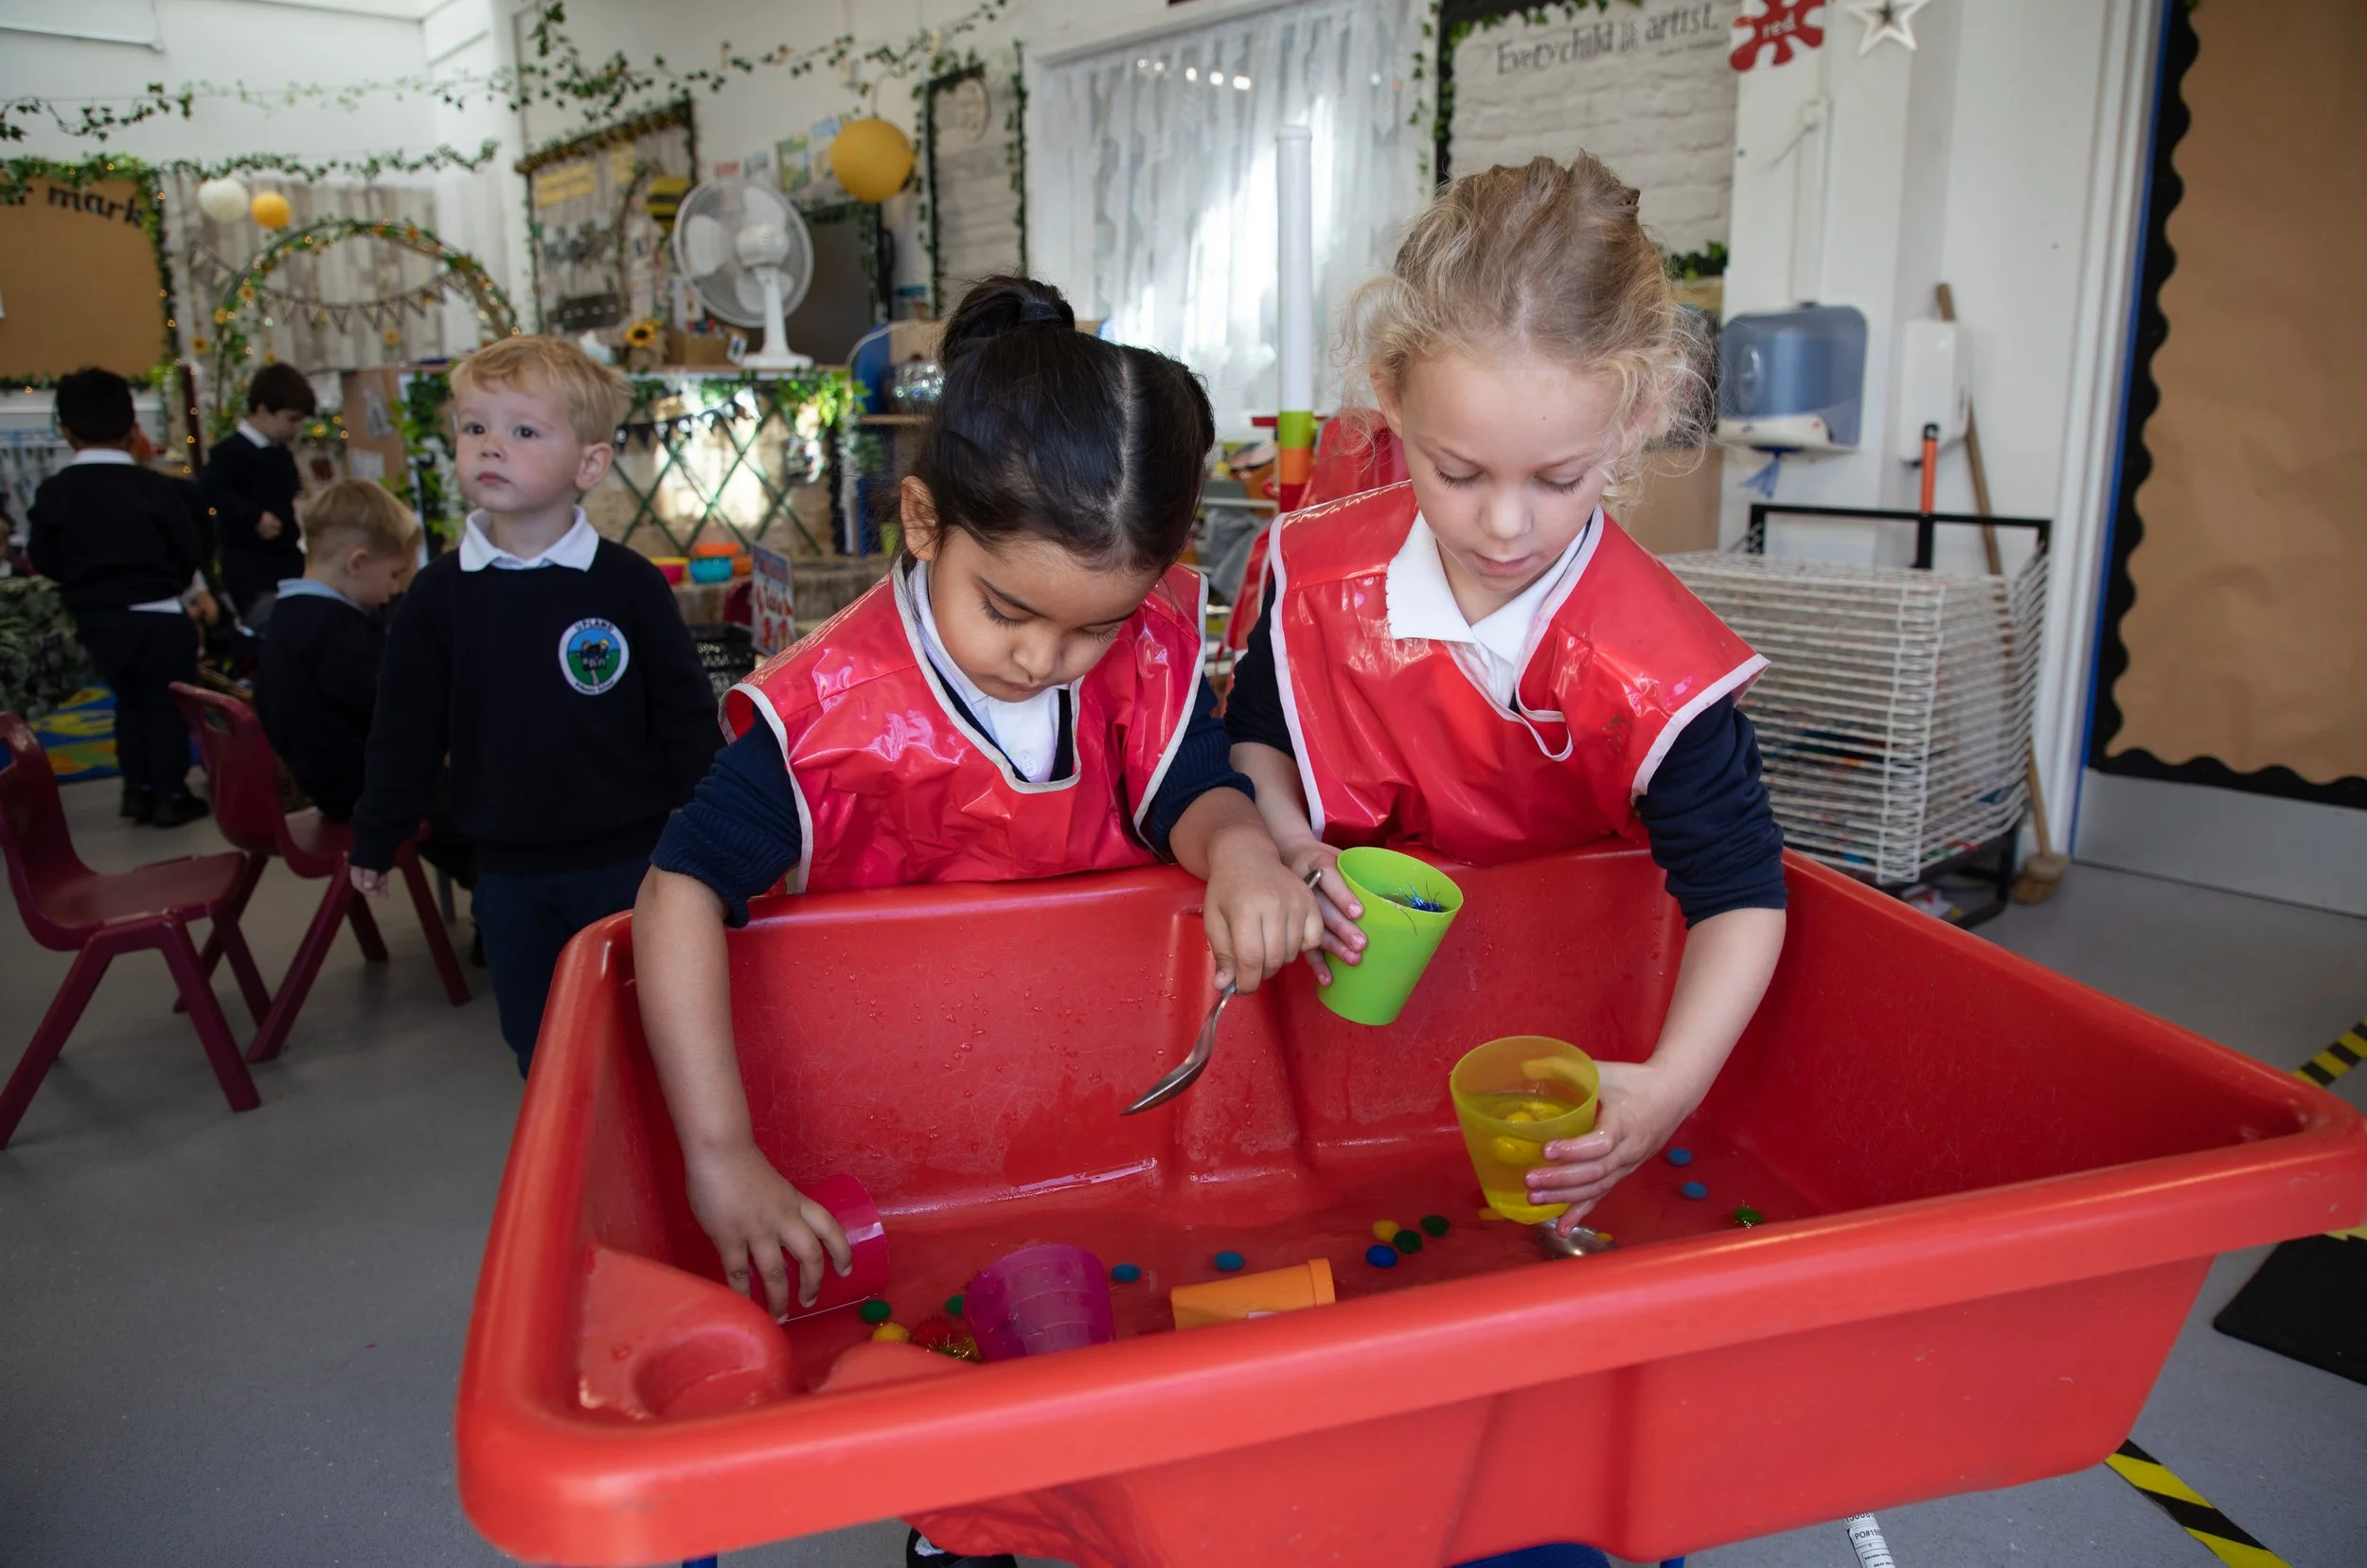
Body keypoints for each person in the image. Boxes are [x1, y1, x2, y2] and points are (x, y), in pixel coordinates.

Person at [634, 276, 1325, 1322]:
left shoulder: (1140, 646)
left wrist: (1238, 846)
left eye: (1096, 625)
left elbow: (1188, 784)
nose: (1047, 658)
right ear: (922, 521)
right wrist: (722, 1153)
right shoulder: (828, 713)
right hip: (892, 1125)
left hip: (1088, 1093)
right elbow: (679, 887)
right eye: (1006, 608)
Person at [1225, 154, 1789, 1234]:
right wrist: (1291, 844)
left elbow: (1741, 890)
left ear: (1639, 418)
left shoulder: (1657, 669)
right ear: (1391, 399)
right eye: (1459, 471)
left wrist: (1670, 1083)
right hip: (1355, 1036)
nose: (1503, 528)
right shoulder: (1314, 577)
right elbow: (1257, 739)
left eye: (1557, 480)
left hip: (1572, 1017)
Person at [347, 336, 721, 1077]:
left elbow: (683, 713)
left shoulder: (627, 584)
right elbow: (405, 725)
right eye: (474, 426)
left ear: (588, 463)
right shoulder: (439, 596)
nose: (491, 446)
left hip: (631, 863)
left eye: (523, 431)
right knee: (541, 1041)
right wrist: (378, 829)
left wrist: (719, 828)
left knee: (650, 1032)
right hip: (507, 873)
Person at [25, 367, 213, 827]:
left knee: (127, 702)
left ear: (67, 433)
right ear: (133, 429)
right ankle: (170, 793)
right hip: (158, 613)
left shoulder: (55, 492)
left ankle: (137, 790)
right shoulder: (156, 487)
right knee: (164, 705)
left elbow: (42, 557)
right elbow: (189, 547)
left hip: (97, 619)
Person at [255, 481, 417, 822]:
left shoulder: (290, 615)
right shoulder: (334, 630)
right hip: (364, 789)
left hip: (331, 784)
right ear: (357, 563)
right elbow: (391, 709)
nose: (394, 589)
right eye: (394, 574)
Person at [202, 362, 312, 617]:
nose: (296, 428)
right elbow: (210, 488)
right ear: (263, 410)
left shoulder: (279, 452)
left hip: (285, 558)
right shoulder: (231, 452)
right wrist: (253, 516)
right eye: (291, 419)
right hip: (250, 564)